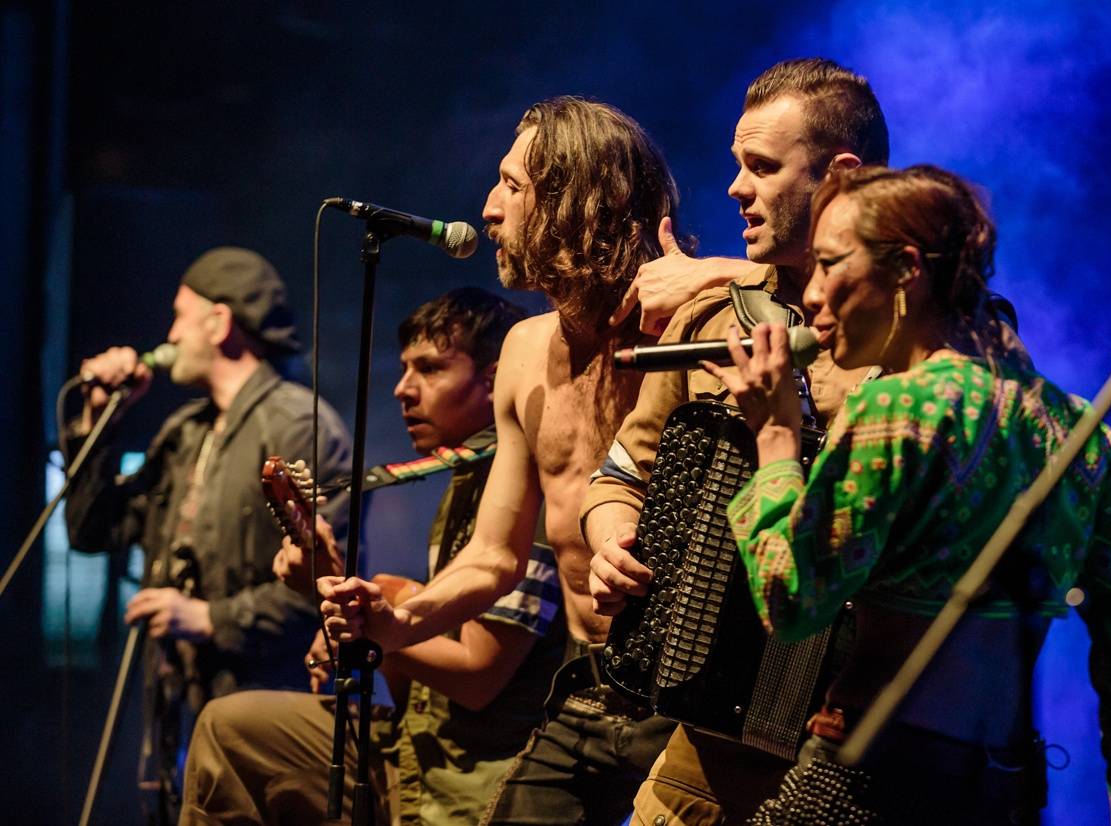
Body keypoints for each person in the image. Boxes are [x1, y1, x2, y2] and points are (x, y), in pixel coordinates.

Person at [710, 163, 1111, 824]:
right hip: (1004, 795)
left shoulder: (896, 410)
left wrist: (777, 435)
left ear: (906, 270)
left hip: (868, 782)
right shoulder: (1082, 439)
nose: (810, 294)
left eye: (830, 264)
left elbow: (792, 602)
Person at [319, 96, 689, 825]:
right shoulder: (522, 351)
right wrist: (399, 621)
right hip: (587, 686)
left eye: (512, 187)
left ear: (579, 201)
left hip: (682, 699)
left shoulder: (679, 334)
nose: (489, 209)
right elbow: (495, 556)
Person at [582, 58, 895, 823]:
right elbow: (620, 475)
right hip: (702, 754)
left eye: (762, 166)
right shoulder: (712, 318)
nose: (735, 188)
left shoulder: (920, 340)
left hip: (856, 770)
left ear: (843, 176)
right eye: (737, 164)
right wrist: (613, 541)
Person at [179, 287, 567, 825]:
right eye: (405, 369)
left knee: (232, 728)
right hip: (421, 742)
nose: (402, 389)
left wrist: (374, 631)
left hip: (473, 774)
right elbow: (413, 675)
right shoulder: (464, 485)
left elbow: (477, 679)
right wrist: (346, 598)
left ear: (494, 380)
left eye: (429, 369)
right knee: (230, 728)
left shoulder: (530, 496)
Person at [63, 246, 353, 822]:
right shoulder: (185, 431)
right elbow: (92, 530)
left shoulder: (300, 426)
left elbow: (329, 589)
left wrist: (207, 618)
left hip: (261, 722)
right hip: (177, 715)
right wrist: (98, 419)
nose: (170, 333)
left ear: (219, 322)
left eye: (180, 315)